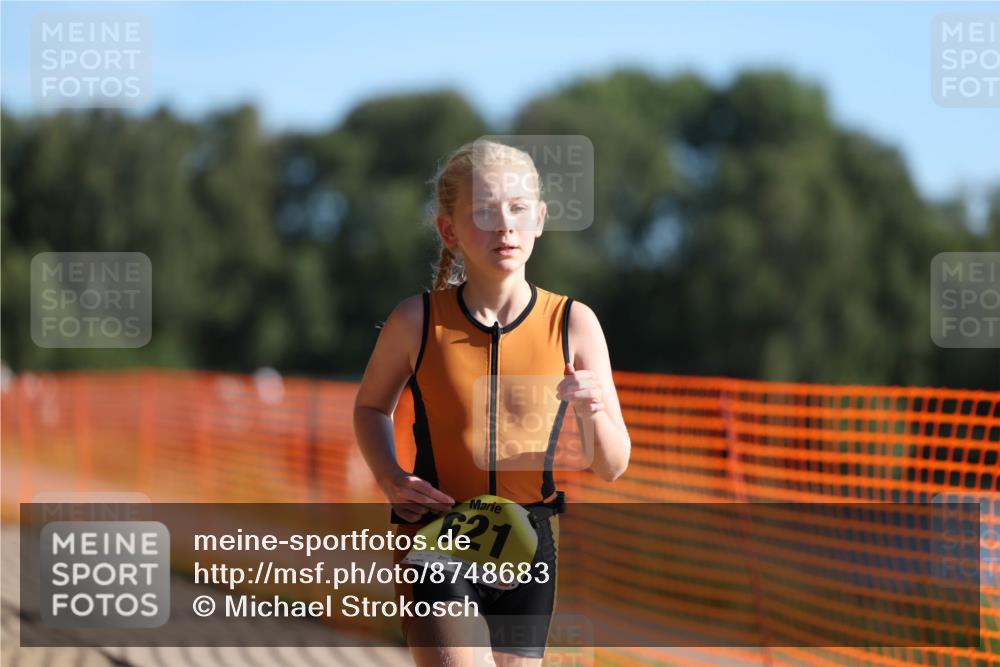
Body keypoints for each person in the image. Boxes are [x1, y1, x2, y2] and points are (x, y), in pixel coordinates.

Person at [354, 139, 630, 667]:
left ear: (540, 220)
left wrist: (593, 408)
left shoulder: (573, 324)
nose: (504, 225)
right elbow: (370, 409)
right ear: (449, 231)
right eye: (483, 211)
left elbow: (612, 465)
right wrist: (389, 474)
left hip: (530, 548)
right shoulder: (416, 321)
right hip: (437, 537)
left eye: (517, 208)